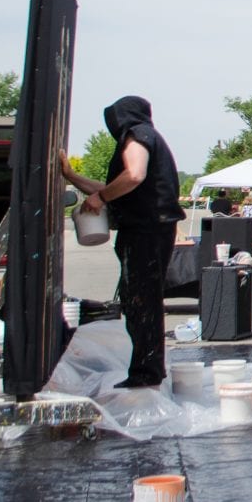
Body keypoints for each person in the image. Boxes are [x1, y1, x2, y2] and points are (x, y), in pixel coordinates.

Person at [59, 96, 184, 389]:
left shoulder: (138, 135)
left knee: (142, 300)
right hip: (149, 229)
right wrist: (71, 176)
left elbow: (135, 174)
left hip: (148, 231)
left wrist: (100, 198)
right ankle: (148, 369)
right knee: (139, 299)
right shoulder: (146, 136)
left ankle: (147, 372)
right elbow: (114, 187)